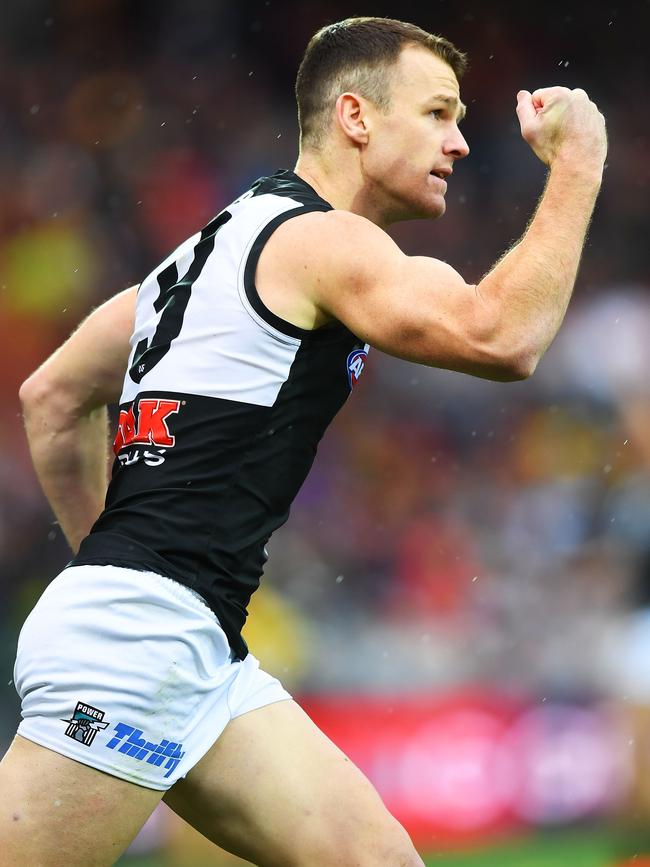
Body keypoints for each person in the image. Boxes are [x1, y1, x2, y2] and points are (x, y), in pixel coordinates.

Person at [0, 15, 606, 867]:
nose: (461, 142)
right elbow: (505, 337)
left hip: (190, 645)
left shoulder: (199, 254)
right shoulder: (321, 238)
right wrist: (578, 162)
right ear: (356, 117)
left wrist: (103, 567)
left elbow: (53, 396)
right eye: (438, 113)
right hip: (140, 639)